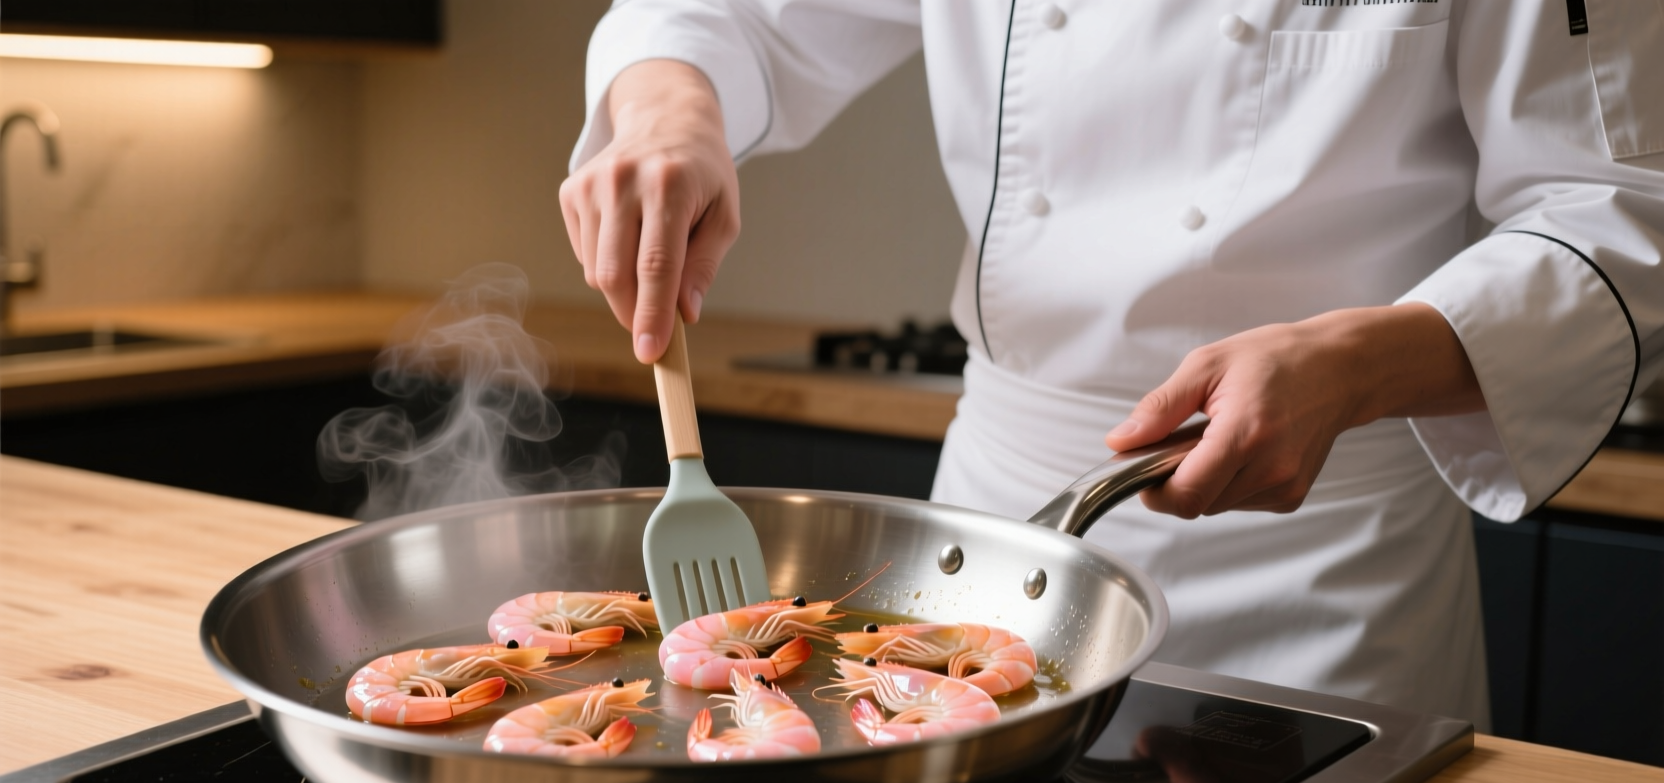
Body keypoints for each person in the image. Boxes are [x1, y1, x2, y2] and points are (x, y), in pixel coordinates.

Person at [559, 2, 1664, 726]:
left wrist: (1353, 361)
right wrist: (669, 112)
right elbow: (728, 16)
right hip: (993, 528)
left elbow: (1615, 214)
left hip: (1318, 571)